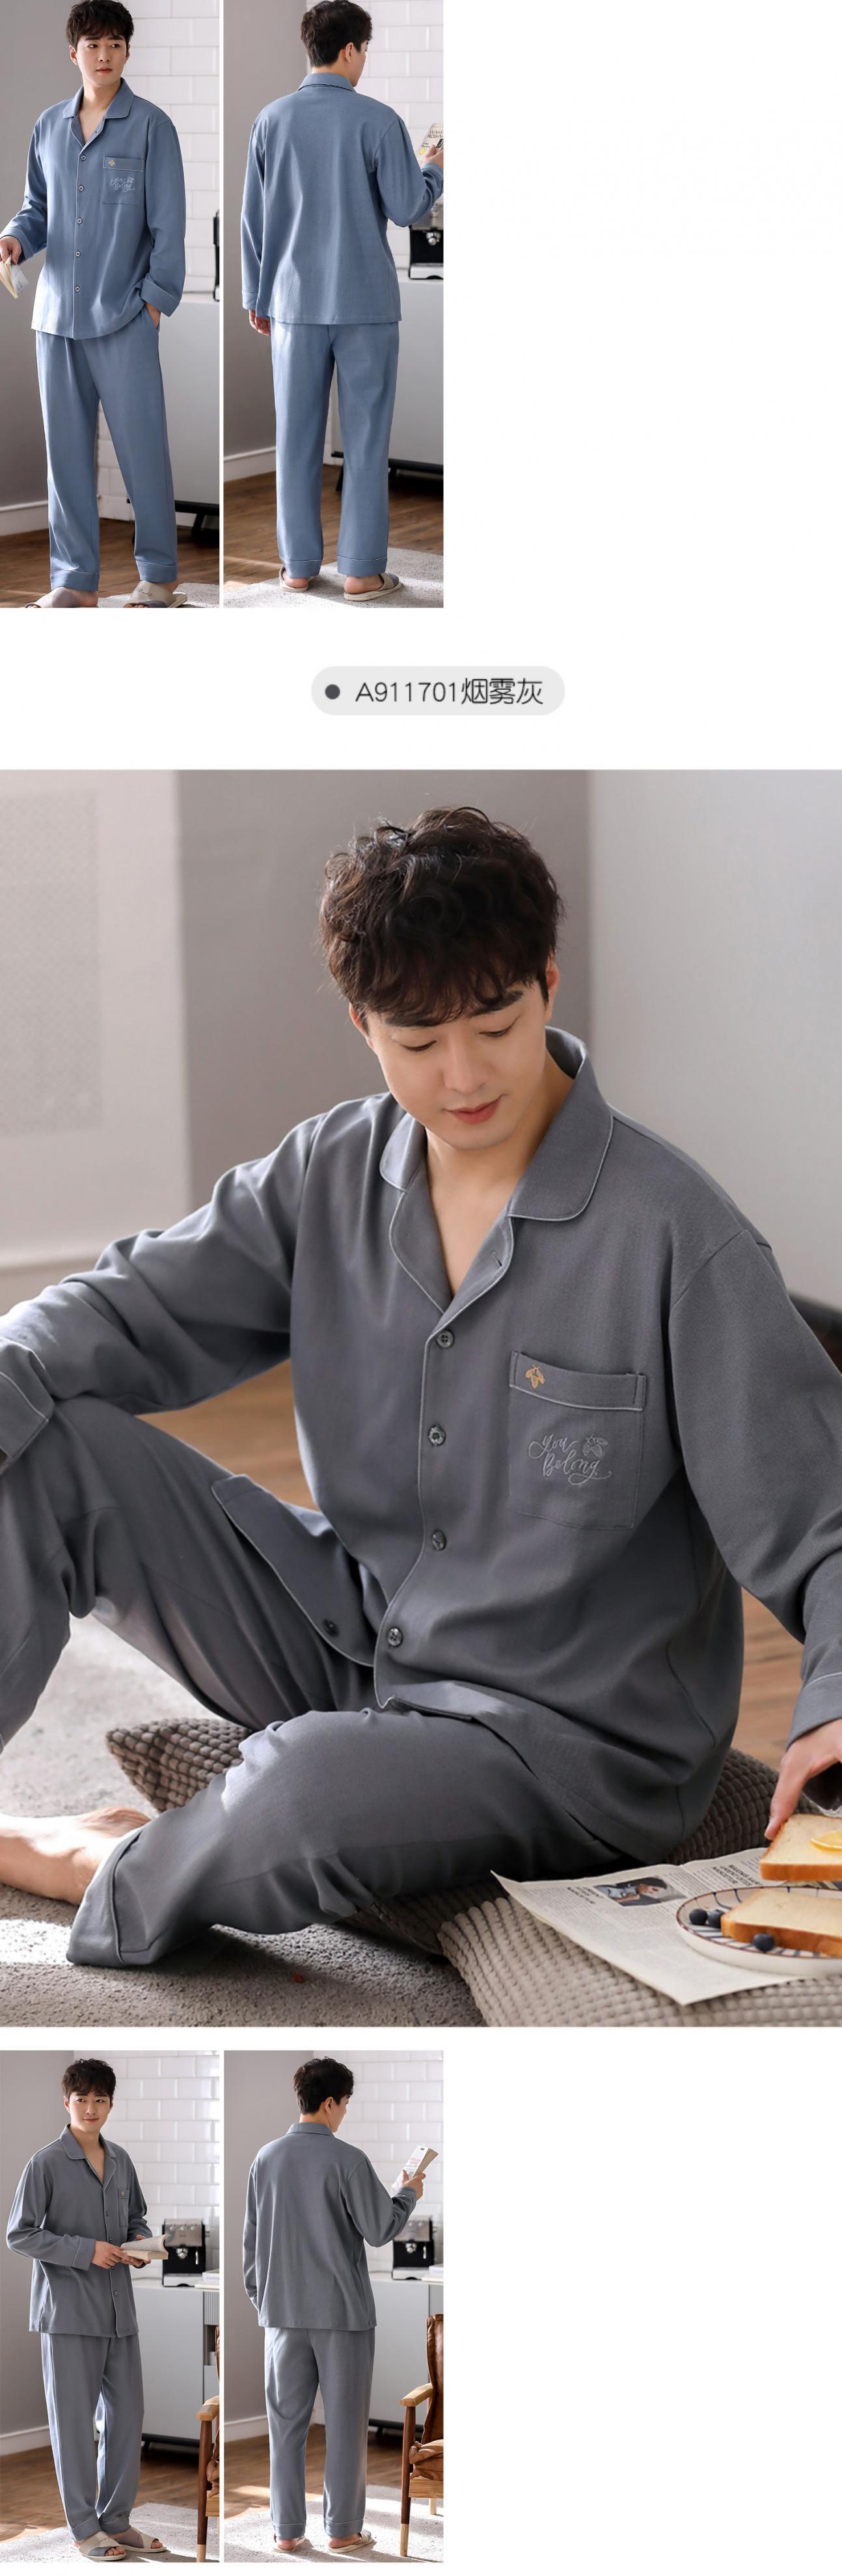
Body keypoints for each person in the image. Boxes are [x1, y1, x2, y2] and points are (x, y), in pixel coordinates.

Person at [0, 806, 841, 1974]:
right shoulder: (327, 1171)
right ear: (361, 1023)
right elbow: (121, 1309)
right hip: (358, 1635)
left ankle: (88, 1860)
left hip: (560, 1738)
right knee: (39, 1436)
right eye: (417, 1038)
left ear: (546, 984)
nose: (463, 1075)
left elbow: (824, 1523)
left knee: (293, 1793)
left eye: (495, 1023)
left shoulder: (675, 1235)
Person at [240, 0, 443, 600]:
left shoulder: (270, 120)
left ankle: (299, 567)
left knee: (296, 439)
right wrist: (433, 167)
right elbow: (409, 207)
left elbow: (253, 221)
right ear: (350, 49)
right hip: (366, 307)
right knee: (366, 440)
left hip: (292, 306)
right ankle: (360, 570)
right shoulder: (379, 121)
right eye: (366, 50)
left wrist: (256, 294)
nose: (365, 61)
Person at [0, 0, 185, 608]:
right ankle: (75, 582)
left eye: (115, 45)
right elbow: (38, 209)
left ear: (127, 51)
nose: (104, 56)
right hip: (56, 320)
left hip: (126, 316)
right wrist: (14, 239)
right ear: (73, 52)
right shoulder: (48, 126)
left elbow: (169, 227)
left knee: (143, 452)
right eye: (93, 45)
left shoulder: (153, 126)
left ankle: (159, 577)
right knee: (67, 459)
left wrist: (154, 304)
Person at [243, 2057, 424, 2553]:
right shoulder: (348, 2159)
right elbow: (381, 2228)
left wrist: (267, 2303)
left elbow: (251, 2248)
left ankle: (286, 2532)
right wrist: (408, 2192)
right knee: (345, 2427)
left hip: (282, 2317)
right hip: (343, 2316)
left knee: (285, 2428)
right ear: (329, 2102)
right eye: (344, 2103)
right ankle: (343, 2530)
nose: (344, 2112)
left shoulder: (265, 2158)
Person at [6, 2058, 159, 2560]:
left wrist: (139, 2244)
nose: (90, 2108)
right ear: (66, 2101)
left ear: (111, 2104)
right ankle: (84, 2529)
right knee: (73, 2424)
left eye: (100, 2100)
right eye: (82, 2099)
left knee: (127, 2416)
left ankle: (117, 2520)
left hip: (119, 2312)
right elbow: (20, 2234)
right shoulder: (46, 2162)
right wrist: (85, 2250)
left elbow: (136, 2217)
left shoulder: (121, 2159)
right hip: (69, 2313)